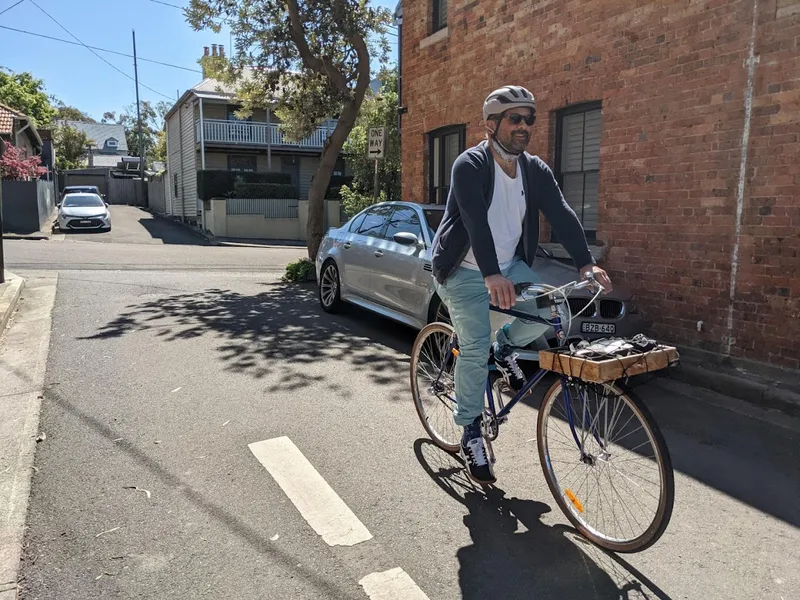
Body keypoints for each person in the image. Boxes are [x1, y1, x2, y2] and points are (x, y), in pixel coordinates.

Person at [430, 85, 613, 485]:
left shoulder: (534, 169)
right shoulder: (470, 164)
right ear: (491, 124)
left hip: (508, 266)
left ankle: (507, 346)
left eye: (530, 119)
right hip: (462, 270)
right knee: (474, 347)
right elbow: (476, 222)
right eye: (515, 118)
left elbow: (562, 214)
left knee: (551, 311)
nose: (525, 126)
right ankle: (470, 432)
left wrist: (585, 263)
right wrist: (490, 274)